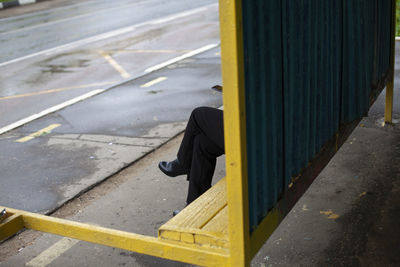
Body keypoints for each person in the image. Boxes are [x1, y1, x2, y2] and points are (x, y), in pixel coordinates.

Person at [158, 106, 224, 215]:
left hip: (254, 133)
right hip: (256, 132)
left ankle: (182, 163)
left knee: (198, 114)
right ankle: (195, 203)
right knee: (202, 142)